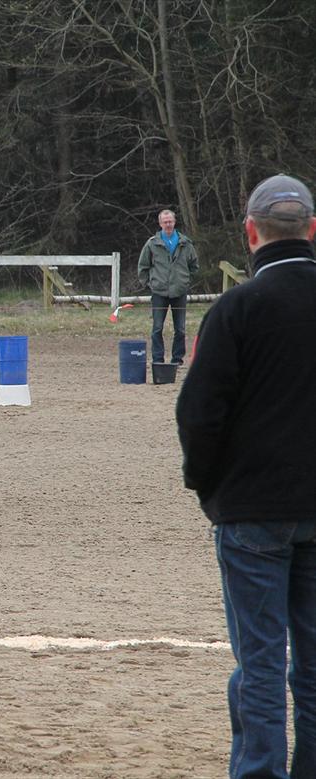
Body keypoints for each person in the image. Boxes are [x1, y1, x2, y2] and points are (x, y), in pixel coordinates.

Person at [175, 173, 316, 779]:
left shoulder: (237, 309)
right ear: (312, 230)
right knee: (311, 665)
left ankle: (260, 771)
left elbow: (199, 412)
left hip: (252, 509)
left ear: (251, 233)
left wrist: (207, 487)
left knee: (260, 662)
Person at [137, 208, 200, 364]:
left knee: (180, 329)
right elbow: (143, 266)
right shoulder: (152, 244)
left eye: (170, 221)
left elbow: (194, 265)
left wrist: (184, 281)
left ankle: (177, 359)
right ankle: (158, 358)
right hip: (159, 292)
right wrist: (149, 283)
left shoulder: (185, 243)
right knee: (157, 328)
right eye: (165, 222)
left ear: (174, 222)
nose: (168, 224)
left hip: (179, 292)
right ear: (160, 223)